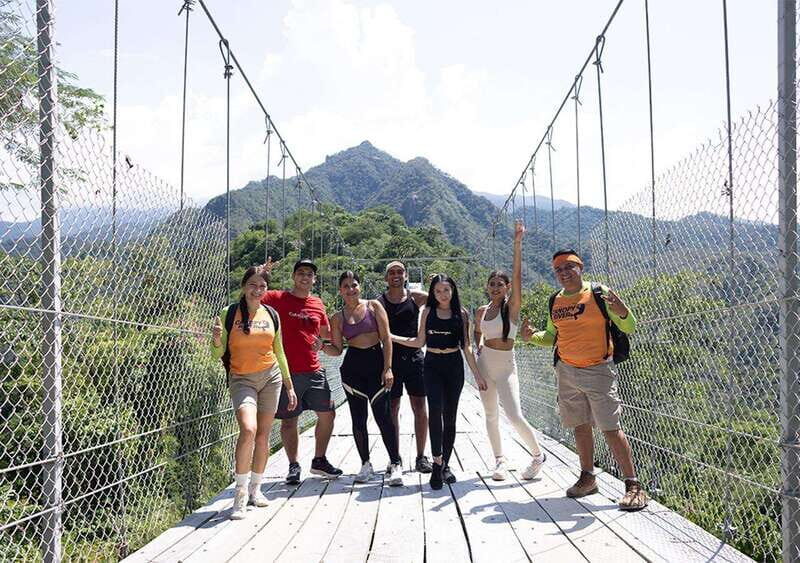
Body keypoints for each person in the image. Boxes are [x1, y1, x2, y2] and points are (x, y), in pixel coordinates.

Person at [521, 249, 648, 510]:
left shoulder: (599, 293)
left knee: (610, 428)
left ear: (581, 268)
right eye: (559, 269)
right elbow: (550, 337)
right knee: (579, 425)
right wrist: (530, 336)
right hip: (566, 370)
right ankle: (588, 477)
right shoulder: (555, 301)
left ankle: (633, 485)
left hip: (598, 369)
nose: (564, 273)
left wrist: (624, 313)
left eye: (570, 267)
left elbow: (629, 327)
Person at [211, 265, 297, 520]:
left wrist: (289, 386)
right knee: (248, 429)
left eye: (262, 286)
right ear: (243, 286)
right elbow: (217, 354)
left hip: (271, 378)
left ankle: (255, 490)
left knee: (263, 435)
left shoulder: (272, 314)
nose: (257, 290)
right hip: (242, 379)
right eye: (252, 285)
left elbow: (279, 352)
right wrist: (216, 340)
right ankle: (239, 494)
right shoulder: (229, 313)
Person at [391, 273, 486, 490]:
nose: (442, 295)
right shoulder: (427, 311)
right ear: (433, 294)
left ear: (453, 291)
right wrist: (390, 336)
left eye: (446, 290)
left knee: (450, 417)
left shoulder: (461, 314)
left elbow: (467, 347)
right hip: (432, 364)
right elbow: (418, 341)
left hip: (454, 366)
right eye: (438, 291)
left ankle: (446, 465)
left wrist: (478, 375)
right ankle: (436, 463)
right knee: (434, 412)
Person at [474, 220, 546, 481]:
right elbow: (476, 335)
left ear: (506, 289)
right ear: (487, 287)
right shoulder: (481, 311)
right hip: (485, 365)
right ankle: (499, 461)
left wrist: (517, 242)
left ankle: (538, 455)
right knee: (491, 414)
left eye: (500, 285)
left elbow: (517, 276)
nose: (495, 287)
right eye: (491, 284)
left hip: (506, 368)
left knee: (514, 415)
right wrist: (476, 359)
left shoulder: (511, 308)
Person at [260, 258, 342, 484]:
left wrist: (323, 344)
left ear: (314, 280)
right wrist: (262, 273)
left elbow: (324, 332)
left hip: (314, 369)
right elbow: (254, 293)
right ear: (294, 276)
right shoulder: (278, 298)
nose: (305, 277)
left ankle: (319, 460)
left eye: (309, 274)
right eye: (301, 273)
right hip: (287, 372)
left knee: (328, 414)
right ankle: (294, 465)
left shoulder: (317, 304)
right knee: (289, 420)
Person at [328, 271, 403, 486]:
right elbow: (336, 349)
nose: (351, 289)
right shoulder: (337, 317)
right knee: (358, 419)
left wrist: (388, 368)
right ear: (340, 290)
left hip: (376, 364)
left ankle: (395, 463)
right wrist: (321, 346)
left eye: (354, 285)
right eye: (346, 286)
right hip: (352, 370)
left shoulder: (373, 306)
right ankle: (365, 464)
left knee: (384, 417)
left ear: (359, 287)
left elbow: (386, 339)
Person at [377, 261, 433, 474]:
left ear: (406, 275)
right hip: (390, 361)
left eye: (400, 271)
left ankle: (421, 457)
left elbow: (440, 298)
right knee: (392, 409)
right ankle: (395, 457)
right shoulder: (379, 302)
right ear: (386, 278)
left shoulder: (415, 297)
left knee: (420, 407)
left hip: (415, 359)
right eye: (391, 272)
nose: (396, 275)